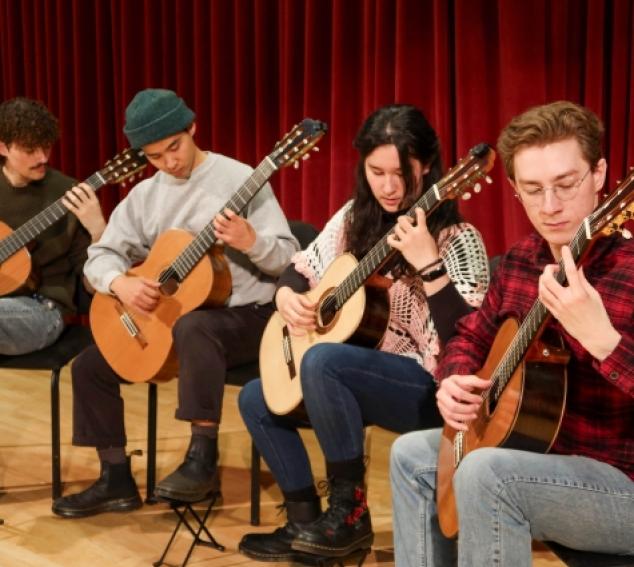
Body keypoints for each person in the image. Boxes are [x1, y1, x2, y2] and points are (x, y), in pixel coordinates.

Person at [238, 104, 490, 564]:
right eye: (377, 172)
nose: (389, 186)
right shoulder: (356, 218)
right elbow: (301, 268)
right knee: (255, 398)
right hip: (353, 374)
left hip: (430, 388)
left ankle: (350, 515)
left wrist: (429, 265)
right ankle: (305, 521)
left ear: (429, 167)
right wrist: (286, 298)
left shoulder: (459, 236)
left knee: (323, 361)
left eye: (402, 173)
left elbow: (472, 338)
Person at [390, 100, 634, 567]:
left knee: (487, 474)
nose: (551, 206)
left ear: (600, 174)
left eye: (566, 184)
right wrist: (454, 379)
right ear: (513, 189)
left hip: (621, 483)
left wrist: (605, 341)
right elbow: (469, 337)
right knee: (410, 456)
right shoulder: (523, 259)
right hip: (543, 454)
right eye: (533, 189)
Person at [52, 88, 299, 518]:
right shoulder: (146, 196)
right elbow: (100, 256)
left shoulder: (240, 178)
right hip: (181, 321)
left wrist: (252, 241)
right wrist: (120, 285)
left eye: (174, 147)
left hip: (249, 317)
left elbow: (289, 260)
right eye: (154, 156)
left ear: (193, 128)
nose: (170, 162)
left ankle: (201, 459)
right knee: (89, 367)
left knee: (195, 328)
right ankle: (115, 480)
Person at [0, 97, 106, 356]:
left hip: (42, 310)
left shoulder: (70, 193)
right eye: (29, 150)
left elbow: (94, 283)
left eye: (46, 147)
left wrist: (99, 231)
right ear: (3, 147)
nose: (42, 157)